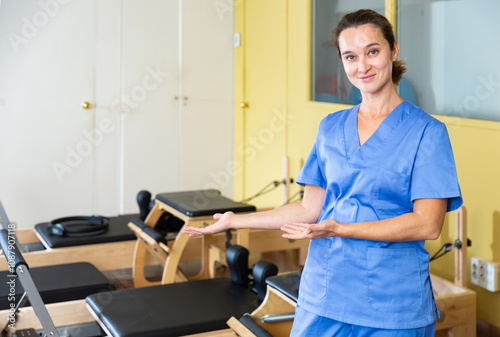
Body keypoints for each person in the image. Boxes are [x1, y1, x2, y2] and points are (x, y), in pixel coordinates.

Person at [183, 9, 462, 337]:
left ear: (394, 51)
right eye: (350, 56)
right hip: (325, 291)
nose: (362, 66)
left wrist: (341, 228)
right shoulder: (331, 127)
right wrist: (235, 221)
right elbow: (308, 209)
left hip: (392, 302)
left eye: (373, 51)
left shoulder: (427, 133)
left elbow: (427, 224)